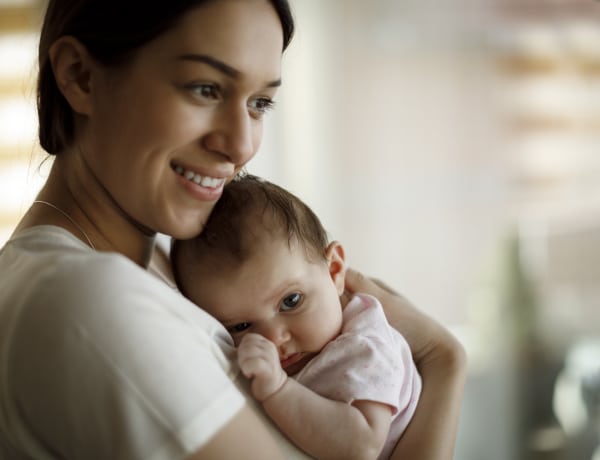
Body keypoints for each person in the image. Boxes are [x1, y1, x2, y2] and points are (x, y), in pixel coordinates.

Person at [0, 0, 467, 459]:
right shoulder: (93, 301)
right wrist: (445, 362)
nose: (241, 145)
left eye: (260, 102)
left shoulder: (156, 272)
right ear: (80, 76)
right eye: (205, 89)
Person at [171, 174, 423, 459]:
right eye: (241, 326)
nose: (275, 338)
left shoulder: (365, 347)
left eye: (291, 301)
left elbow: (362, 446)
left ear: (334, 271)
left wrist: (279, 390)